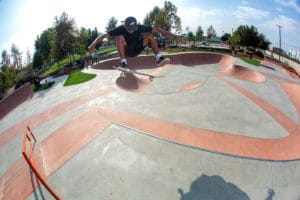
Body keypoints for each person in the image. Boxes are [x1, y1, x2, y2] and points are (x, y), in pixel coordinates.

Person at [88, 16, 181, 68]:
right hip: (127, 50)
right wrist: (93, 44)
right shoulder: (120, 29)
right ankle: (123, 62)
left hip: (137, 49)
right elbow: (104, 36)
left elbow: (157, 30)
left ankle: (159, 58)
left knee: (149, 36)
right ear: (125, 27)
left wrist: (174, 35)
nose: (132, 31)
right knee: (119, 37)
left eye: (134, 28)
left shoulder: (139, 27)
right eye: (130, 29)